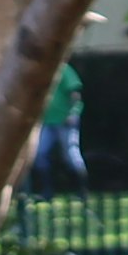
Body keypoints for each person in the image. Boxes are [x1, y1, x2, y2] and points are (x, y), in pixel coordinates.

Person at [32, 61, 87, 191]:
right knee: (40, 154)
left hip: (65, 121)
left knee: (71, 154)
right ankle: (46, 191)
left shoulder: (63, 69)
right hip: (46, 121)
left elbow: (75, 93)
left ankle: (82, 191)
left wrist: (73, 113)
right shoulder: (39, 71)